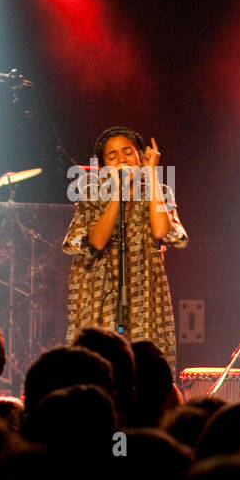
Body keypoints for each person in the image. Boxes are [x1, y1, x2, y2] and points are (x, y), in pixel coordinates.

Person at [62, 126, 187, 365]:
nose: (121, 158)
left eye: (128, 152)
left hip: (144, 293)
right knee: (100, 365)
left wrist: (151, 175)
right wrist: (118, 192)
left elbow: (163, 231)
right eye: (112, 155)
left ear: (142, 157)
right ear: (103, 166)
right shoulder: (92, 194)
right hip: (99, 294)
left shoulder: (159, 192)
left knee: (144, 368)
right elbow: (95, 241)